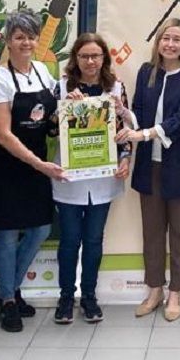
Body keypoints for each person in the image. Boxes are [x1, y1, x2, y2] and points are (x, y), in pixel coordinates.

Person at [0, 11, 61, 333]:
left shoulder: (42, 72)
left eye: (30, 36)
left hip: (36, 161)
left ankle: (5, 290)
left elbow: (53, 111)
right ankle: (10, 301)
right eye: (19, 37)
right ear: (8, 41)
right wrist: (39, 164)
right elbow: (2, 134)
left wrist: (71, 105)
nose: (26, 42)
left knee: (40, 228)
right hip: (6, 166)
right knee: (7, 233)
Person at [120, 19, 180, 322]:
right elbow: (140, 114)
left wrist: (144, 135)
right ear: (158, 42)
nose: (170, 44)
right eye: (165, 38)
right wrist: (123, 113)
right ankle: (154, 289)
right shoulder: (146, 72)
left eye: (176, 40)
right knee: (153, 233)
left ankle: (175, 294)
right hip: (149, 167)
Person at [50, 33, 133, 325]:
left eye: (95, 56)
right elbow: (47, 131)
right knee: (70, 240)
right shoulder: (60, 87)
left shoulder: (116, 88)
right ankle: (64, 298)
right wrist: (64, 109)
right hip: (69, 178)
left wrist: (126, 159)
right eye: (84, 56)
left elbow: (125, 132)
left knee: (94, 240)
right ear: (75, 58)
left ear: (103, 59)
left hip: (104, 178)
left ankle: (89, 297)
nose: (90, 61)